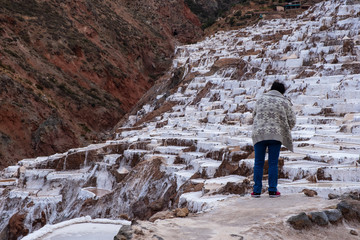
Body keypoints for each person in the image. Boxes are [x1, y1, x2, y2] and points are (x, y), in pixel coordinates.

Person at [251, 81, 296, 198]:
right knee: (273, 163)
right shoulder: (284, 102)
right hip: (276, 135)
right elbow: (292, 120)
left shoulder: (260, 99)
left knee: (258, 163)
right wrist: (283, 129)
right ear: (282, 92)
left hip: (259, 134)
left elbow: (253, 115)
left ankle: (256, 191)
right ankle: (272, 190)